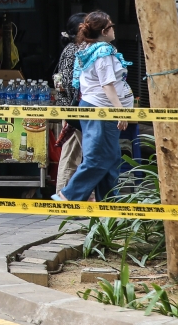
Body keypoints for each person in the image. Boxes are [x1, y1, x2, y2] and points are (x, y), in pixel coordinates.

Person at [54, 11, 133, 202]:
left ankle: (108, 203)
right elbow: (107, 84)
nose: (114, 29)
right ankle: (69, 194)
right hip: (102, 109)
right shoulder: (102, 53)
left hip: (97, 108)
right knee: (98, 157)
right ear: (105, 31)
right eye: (111, 26)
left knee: (111, 158)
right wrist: (120, 110)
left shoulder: (90, 49)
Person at [53, 13, 86, 192]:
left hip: (76, 109)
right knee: (72, 153)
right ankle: (63, 194)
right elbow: (68, 82)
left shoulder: (80, 49)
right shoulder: (73, 50)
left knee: (76, 153)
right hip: (73, 110)